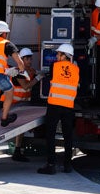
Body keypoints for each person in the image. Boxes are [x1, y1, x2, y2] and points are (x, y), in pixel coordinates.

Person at [37, 42, 80, 175]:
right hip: (68, 107)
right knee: (68, 136)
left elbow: (52, 77)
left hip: (54, 104)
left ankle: (51, 165)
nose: (56, 55)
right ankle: (67, 165)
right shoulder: (76, 69)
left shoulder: (54, 66)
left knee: (50, 134)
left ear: (63, 55)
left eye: (58, 53)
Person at [8, 48, 37, 162]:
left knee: (21, 129)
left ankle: (17, 151)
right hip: (13, 105)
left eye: (30, 58)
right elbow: (26, 86)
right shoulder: (18, 72)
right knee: (2, 130)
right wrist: (38, 78)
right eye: (27, 59)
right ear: (21, 59)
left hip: (22, 105)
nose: (30, 61)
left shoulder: (30, 70)